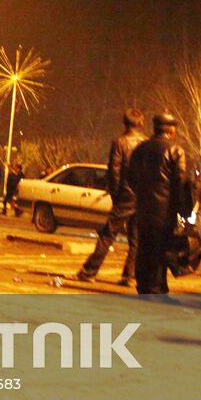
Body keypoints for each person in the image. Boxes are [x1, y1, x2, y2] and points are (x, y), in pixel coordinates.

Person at [77, 109, 146, 286]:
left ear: (125, 123)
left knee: (108, 234)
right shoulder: (146, 143)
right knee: (136, 238)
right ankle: (130, 275)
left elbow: (114, 171)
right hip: (142, 195)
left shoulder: (120, 142)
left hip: (125, 194)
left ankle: (89, 270)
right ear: (141, 123)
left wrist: (116, 195)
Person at [127, 112, 192, 300]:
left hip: (143, 207)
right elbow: (181, 182)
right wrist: (185, 210)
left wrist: (141, 195)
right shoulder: (176, 150)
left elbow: (131, 177)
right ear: (171, 130)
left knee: (143, 246)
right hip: (165, 210)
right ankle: (157, 289)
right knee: (160, 249)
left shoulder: (140, 149)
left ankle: (144, 286)